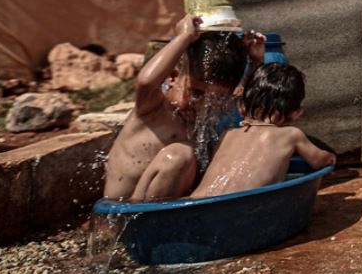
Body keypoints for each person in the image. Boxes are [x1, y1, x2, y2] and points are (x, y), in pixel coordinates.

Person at [102, 15, 263, 201]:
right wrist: (184, 37)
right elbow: (146, 82)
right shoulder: (153, 107)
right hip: (123, 210)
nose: (203, 105)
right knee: (180, 155)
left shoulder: (204, 116)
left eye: (216, 98)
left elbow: (247, 101)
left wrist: (254, 63)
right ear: (171, 77)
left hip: (158, 205)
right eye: (196, 93)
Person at [191, 63, 335, 198]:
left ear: (241, 107)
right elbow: (319, 161)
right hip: (239, 208)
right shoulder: (292, 135)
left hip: (198, 201)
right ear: (296, 113)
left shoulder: (227, 134)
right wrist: (330, 157)